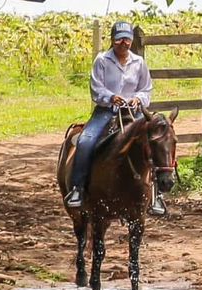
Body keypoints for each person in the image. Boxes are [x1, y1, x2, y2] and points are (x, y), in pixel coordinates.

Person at [65, 21, 162, 214]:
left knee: (153, 144)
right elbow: (96, 88)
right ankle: (77, 188)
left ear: (131, 41)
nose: (123, 43)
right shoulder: (102, 60)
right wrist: (110, 97)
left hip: (133, 113)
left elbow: (146, 89)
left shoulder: (139, 63)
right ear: (112, 40)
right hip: (106, 111)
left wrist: (137, 99)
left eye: (127, 39)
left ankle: (156, 195)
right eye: (119, 40)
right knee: (86, 141)